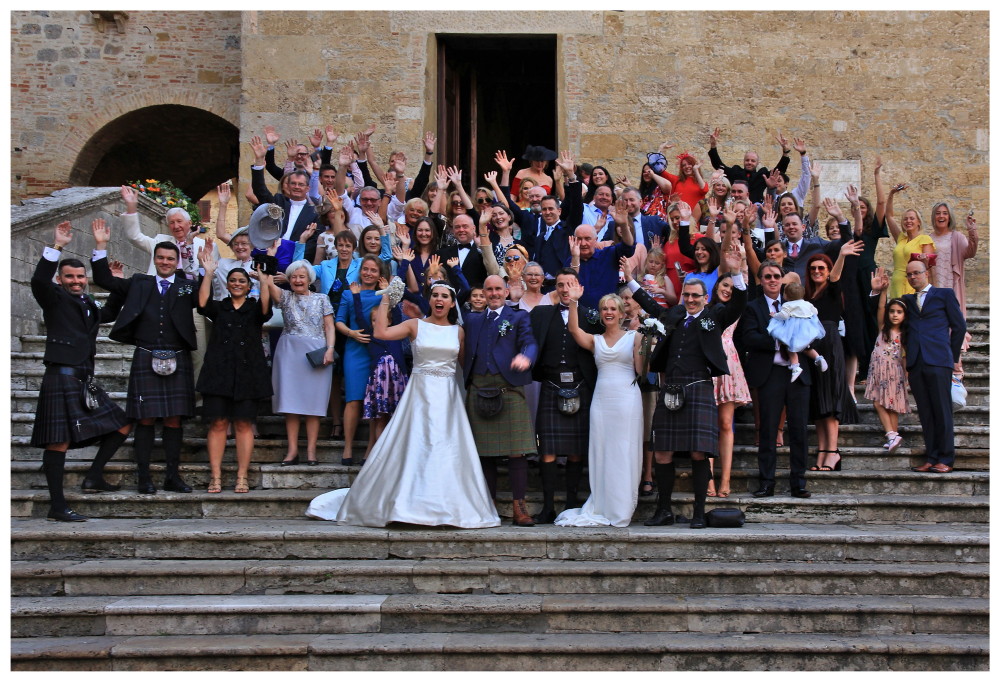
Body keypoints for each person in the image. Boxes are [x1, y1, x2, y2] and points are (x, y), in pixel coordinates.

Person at [306, 283, 500, 528]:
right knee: (414, 443)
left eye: (445, 297)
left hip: (448, 397)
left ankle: (450, 504)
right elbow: (381, 334)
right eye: (435, 296)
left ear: (452, 303)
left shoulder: (458, 332)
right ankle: (403, 502)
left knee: (447, 446)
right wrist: (387, 298)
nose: (439, 300)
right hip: (419, 393)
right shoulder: (414, 324)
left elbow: (465, 366)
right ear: (430, 300)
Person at [627, 244, 747, 528]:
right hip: (671, 390)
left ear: (705, 298)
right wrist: (629, 278)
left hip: (699, 388)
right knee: (663, 451)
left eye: (696, 296)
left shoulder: (714, 316)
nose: (691, 300)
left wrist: (738, 272)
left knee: (698, 452)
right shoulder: (674, 316)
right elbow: (651, 305)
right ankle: (664, 510)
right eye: (687, 295)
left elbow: (739, 303)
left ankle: (698, 513)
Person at [30, 221, 131, 521]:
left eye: (80, 277)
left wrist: (116, 283)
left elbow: (108, 315)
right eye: (69, 277)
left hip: (83, 380)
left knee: (123, 423)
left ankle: (94, 476)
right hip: (60, 376)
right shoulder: (54, 299)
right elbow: (38, 281)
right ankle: (57, 506)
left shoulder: (87, 301)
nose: (76, 281)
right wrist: (57, 245)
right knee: (58, 441)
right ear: (60, 280)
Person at [91, 221, 199, 495]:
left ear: (177, 262)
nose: (165, 262)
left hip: (178, 356)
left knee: (174, 419)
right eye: (161, 258)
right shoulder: (141, 282)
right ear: (155, 260)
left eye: (170, 259)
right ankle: (144, 477)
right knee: (146, 419)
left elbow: (207, 302)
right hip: (146, 354)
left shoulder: (186, 287)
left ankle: (172, 477)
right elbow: (105, 281)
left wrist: (207, 272)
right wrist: (100, 247)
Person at [554, 288, 643, 527]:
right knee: (602, 451)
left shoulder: (635, 337)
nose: (608, 312)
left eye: (613, 308)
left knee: (623, 450)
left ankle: (622, 505)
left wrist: (647, 344)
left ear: (622, 312)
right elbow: (574, 330)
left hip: (627, 399)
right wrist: (573, 302)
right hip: (602, 400)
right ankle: (603, 503)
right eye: (605, 309)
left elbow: (641, 370)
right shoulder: (596, 340)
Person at [463, 275, 539, 526]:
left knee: (517, 453)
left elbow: (529, 343)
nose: (494, 293)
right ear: (483, 294)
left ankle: (519, 506)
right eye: (489, 289)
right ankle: (488, 505)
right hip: (478, 389)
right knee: (485, 455)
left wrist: (526, 358)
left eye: (498, 289)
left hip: (509, 388)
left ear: (506, 292)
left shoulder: (518, 316)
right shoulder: (472, 320)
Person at [876, 262, 965, 474]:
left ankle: (946, 458)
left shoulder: (944, 294)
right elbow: (886, 316)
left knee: (942, 411)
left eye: (917, 273)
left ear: (926, 273)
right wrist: (881, 290)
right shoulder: (907, 301)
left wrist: (951, 357)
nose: (913, 277)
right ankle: (931, 457)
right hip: (916, 362)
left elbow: (959, 326)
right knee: (925, 412)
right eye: (909, 275)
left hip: (939, 360)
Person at [196, 248, 273, 494]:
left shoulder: (253, 308)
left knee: (243, 424)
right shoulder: (220, 308)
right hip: (219, 372)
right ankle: (216, 476)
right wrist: (208, 273)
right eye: (233, 281)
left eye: (242, 281)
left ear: (247, 285)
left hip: (248, 374)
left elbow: (265, 309)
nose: (237, 284)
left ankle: (242, 476)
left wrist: (263, 282)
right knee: (218, 424)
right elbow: (202, 304)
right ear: (227, 285)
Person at [529, 268, 603, 523]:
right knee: (547, 450)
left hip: (580, 384)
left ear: (579, 288)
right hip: (551, 383)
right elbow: (527, 341)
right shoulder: (540, 313)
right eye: (560, 285)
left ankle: (571, 503)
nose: (564, 289)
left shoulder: (592, 316)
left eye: (570, 284)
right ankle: (548, 506)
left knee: (575, 451)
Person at [737, 260, 812, 499]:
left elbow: (812, 333)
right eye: (767, 276)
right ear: (760, 280)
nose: (772, 280)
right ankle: (766, 482)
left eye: (776, 276)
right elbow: (748, 337)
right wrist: (780, 339)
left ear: (782, 279)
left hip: (797, 373)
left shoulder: (797, 304)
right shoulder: (753, 307)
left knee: (799, 429)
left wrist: (799, 340)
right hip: (770, 374)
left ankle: (798, 482)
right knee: (768, 430)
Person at [268, 259, 336, 467]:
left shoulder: (322, 298)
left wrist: (330, 349)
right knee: (290, 404)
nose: (298, 280)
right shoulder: (284, 296)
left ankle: (311, 451)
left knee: (313, 404)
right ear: (288, 280)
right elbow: (267, 281)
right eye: (294, 277)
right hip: (289, 353)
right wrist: (269, 257)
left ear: (309, 279)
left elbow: (329, 326)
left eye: (302, 276)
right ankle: (292, 450)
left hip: (317, 353)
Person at [805, 242, 864, 472]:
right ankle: (822, 450)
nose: (817, 272)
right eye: (813, 269)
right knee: (818, 402)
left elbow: (836, 276)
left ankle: (833, 451)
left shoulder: (831, 289)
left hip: (830, 343)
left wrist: (840, 255)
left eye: (821, 268)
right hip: (813, 346)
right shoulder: (808, 296)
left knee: (830, 400)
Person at [335, 256, 384, 464]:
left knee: (374, 400)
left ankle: (371, 447)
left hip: (376, 350)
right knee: (353, 399)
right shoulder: (348, 294)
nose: (368, 273)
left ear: (379, 274)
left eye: (373, 270)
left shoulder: (383, 295)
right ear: (360, 270)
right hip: (354, 350)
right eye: (365, 269)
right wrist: (351, 333)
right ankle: (347, 446)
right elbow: (339, 321)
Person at [709, 274, 750, 499]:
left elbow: (742, 295)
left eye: (732, 288)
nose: (728, 290)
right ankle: (708, 479)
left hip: (728, 364)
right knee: (707, 425)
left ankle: (725, 478)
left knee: (726, 424)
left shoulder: (734, 309)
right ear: (717, 286)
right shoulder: (706, 308)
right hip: (708, 364)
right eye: (725, 285)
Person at [865, 268, 909, 453]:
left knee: (889, 405)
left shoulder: (905, 335)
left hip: (894, 372)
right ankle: (893, 436)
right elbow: (881, 307)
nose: (895, 314)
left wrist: (906, 377)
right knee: (879, 401)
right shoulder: (883, 328)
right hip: (878, 369)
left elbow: (905, 357)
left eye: (899, 312)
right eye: (893, 311)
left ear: (905, 315)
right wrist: (884, 290)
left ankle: (892, 435)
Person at [707, 127, 792, 203]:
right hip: (736, 208)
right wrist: (713, 146)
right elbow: (718, 165)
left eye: (753, 161)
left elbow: (778, 171)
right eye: (747, 160)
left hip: (756, 209)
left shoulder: (762, 175)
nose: (749, 162)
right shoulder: (735, 172)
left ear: (757, 163)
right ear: (743, 161)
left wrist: (785, 153)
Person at [766, 281, 827, 383]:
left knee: (791, 347)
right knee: (807, 347)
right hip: (807, 329)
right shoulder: (807, 303)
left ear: (786, 295)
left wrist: (775, 315)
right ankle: (819, 358)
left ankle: (795, 366)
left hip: (793, 329)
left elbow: (784, 316)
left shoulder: (787, 305)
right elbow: (815, 312)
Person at [885, 184, 935, 299]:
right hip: (897, 283)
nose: (908, 221)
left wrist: (924, 261)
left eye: (912, 218)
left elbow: (929, 266)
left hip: (913, 283)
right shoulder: (901, 238)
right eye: (905, 219)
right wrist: (891, 194)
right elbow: (889, 216)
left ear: (918, 222)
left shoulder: (925, 239)